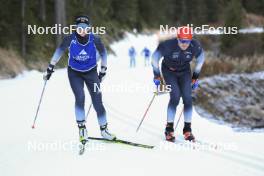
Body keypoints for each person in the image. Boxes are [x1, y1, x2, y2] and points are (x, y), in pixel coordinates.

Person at [43, 15, 116, 145]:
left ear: (89, 28)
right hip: (74, 73)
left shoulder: (95, 39)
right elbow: (59, 51)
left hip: (91, 72)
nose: (82, 30)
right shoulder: (70, 39)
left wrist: (103, 70)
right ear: (75, 28)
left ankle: (104, 130)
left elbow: (104, 53)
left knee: (97, 101)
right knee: (80, 97)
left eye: (85, 28)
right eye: (79, 27)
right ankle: (82, 130)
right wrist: (50, 67)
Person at [151, 26, 205, 142]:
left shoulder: (194, 46)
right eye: (182, 41)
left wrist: (195, 77)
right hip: (168, 71)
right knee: (175, 96)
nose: (185, 44)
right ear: (178, 38)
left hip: (185, 71)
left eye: (187, 41)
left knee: (188, 99)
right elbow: (154, 59)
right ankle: (169, 129)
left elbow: (201, 59)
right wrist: (156, 75)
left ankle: (187, 129)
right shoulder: (168, 45)